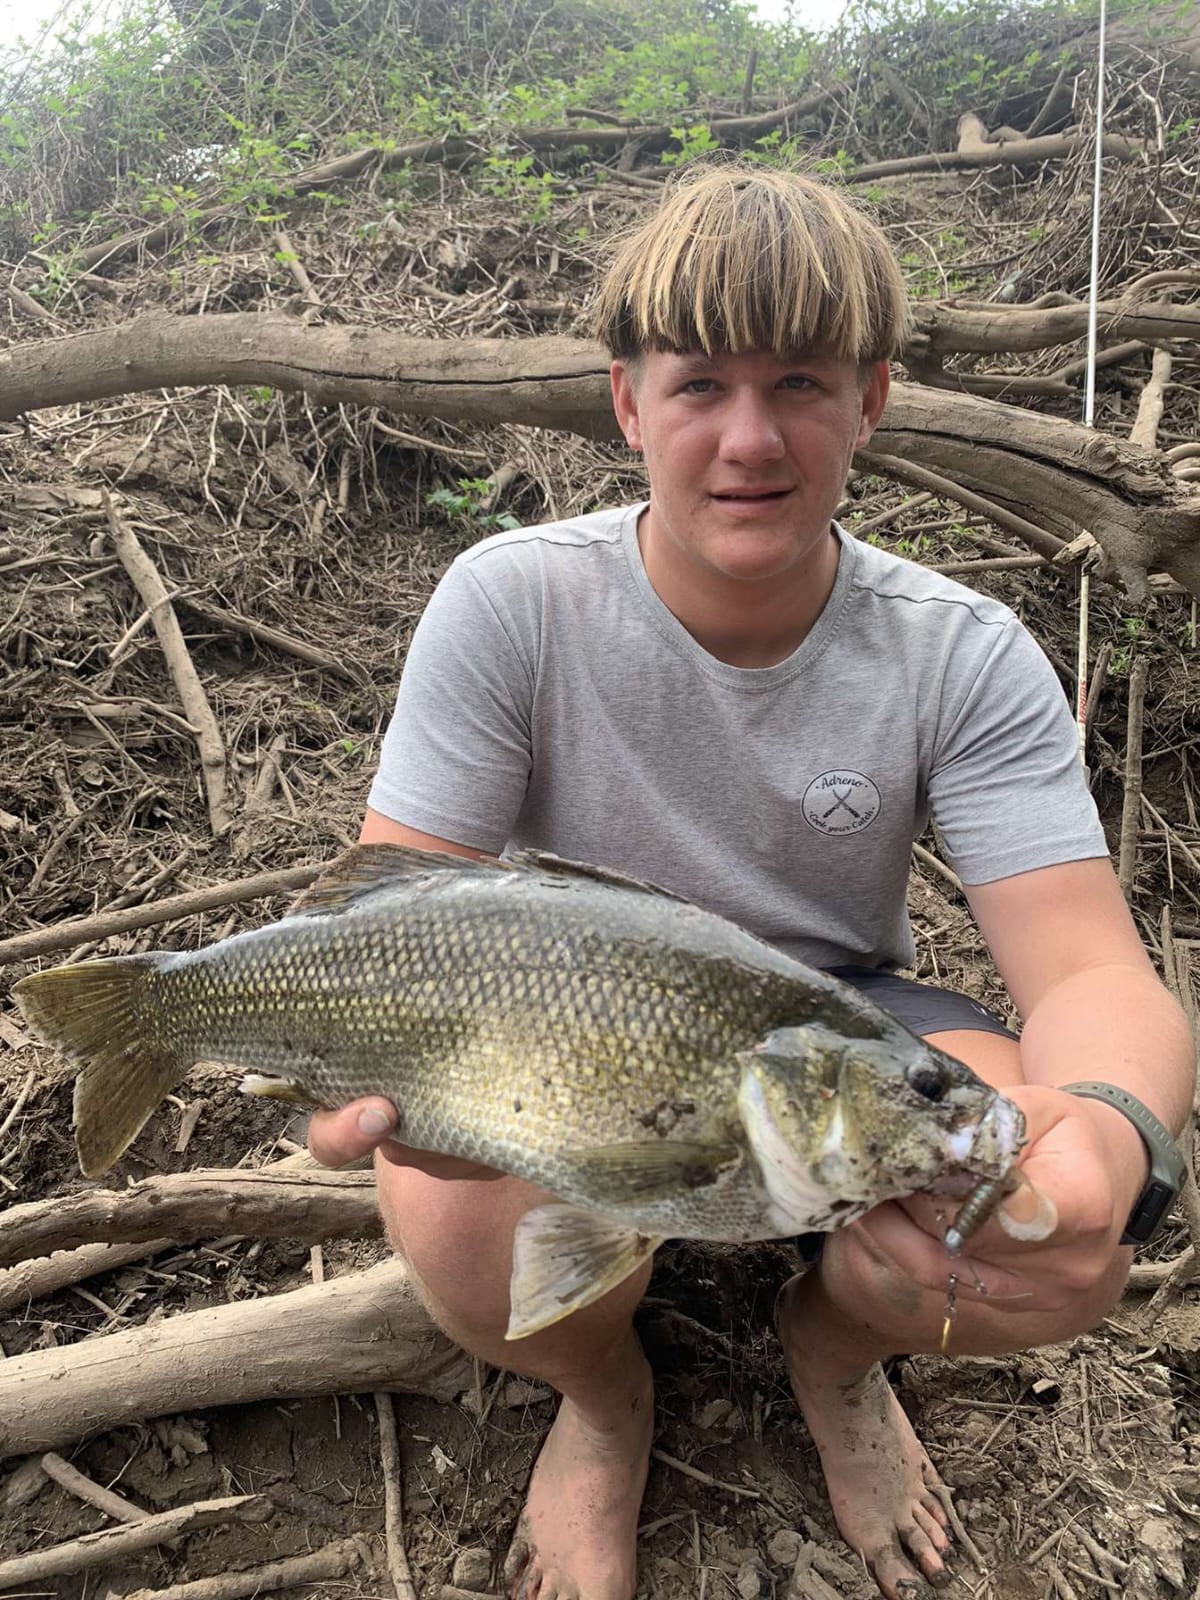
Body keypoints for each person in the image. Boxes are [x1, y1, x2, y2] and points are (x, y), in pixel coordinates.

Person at [308, 165, 1194, 1600]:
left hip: (823, 1007)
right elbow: (407, 913)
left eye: (798, 381)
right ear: (626, 404)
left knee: (1014, 1216)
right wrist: (427, 1086)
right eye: (700, 383)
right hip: (562, 1005)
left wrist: (1102, 1132)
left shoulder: (958, 653)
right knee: (459, 1223)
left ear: (872, 402)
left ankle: (834, 1355)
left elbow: (1090, 971)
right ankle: (605, 1402)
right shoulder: (511, 603)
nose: (747, 437)